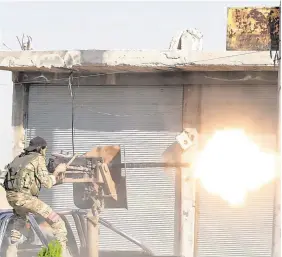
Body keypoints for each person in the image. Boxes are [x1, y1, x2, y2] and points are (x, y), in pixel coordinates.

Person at [4, 136, 70, 257]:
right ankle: (63, 254)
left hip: (12, 198)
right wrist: (58, 171)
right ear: (41, 148)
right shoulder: (38, 158)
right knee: (57, 222)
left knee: (19, 223)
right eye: (44, 149)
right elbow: (47, 183)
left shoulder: (20, 158)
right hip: (26, 199)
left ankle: (11, 252)